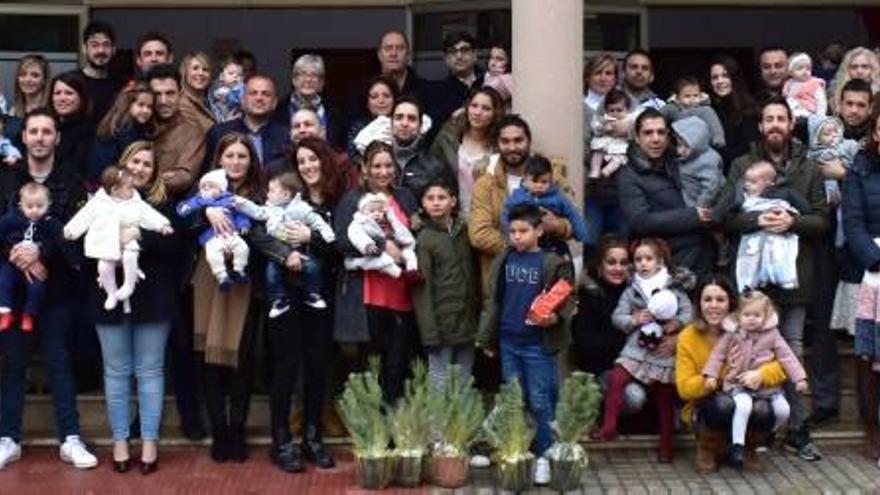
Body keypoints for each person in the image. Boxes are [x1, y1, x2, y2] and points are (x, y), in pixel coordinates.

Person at [722, 95, 828, 462]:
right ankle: (754, 431)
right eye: (768, 119)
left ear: (790, 123)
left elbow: (822, 218)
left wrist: (792, 221)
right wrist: (758, 220)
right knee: (747, 350)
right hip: (753, 278)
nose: (775, 125)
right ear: (760, 126)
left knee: (792, 348)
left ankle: (798, 429)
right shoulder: (741, 165)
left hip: (794, 276)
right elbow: (729, 215)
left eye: (781, 118)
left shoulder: (810, 168)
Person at [0, 108, 96, 470]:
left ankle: (70, 439)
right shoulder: (6, 177)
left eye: (47, 132)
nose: (40, 137)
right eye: (33, 131)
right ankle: (8, 438)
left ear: (57, 138)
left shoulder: (72, 181)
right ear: (22, 136)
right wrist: (20, 256)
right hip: (11, 291)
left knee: (59, 363)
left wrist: (42, 252)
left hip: (57, 291)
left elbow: (76, 232)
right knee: (13, 364)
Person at [249, 136, 345, 472]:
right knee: (286, 366)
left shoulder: (338, 198)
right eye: (302, 161)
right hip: (283, 293)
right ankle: (281, 442)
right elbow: (257, 233)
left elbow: (342, 248)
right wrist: (285, 252)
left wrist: (311, 238)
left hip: (320, 294)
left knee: (318, 367)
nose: (308, 166)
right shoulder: (283, 194)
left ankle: (313, 439)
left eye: (314, 159)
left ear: (325, 160)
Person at [92, 139, 183, 475]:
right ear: (122, 165)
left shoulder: (163, 205)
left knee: (149, 370)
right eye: (134, 162)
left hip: (153, 298)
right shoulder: (99, 201)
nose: (140, 169)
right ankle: (119, 440)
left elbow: (173, 245)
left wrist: (134, 235)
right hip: (109, 296)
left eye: (147, 164)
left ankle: (148, 441)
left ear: (155, 172)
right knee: (116, 372)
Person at [475, 203, 575, 486]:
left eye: (523, 231)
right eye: (512, 231)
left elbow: (567, 298)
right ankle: (516, 451)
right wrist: (487, 337)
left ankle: (544, 455)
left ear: (539, 231)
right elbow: (493, 301)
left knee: (540, 400)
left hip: (537, 345)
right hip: (508, 341)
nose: (516, 236)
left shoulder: (551, 262)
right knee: (512, 399)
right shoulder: (504, 259)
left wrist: (555, 316)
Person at [191, 133, 265, 463]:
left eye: (242, 156)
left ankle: (237, 429)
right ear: (219, 159)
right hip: (210, 279)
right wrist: (205, 212)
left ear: (251, 161)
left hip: (246, 283)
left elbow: (266, 231)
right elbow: (183, 224)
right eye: (229, 156)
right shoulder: (204, 190)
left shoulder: (260, 194)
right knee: (209, 361)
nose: (235, 162)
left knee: (241, 361)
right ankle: (219, 429)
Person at [333, 140, 418, 402]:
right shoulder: (353, 200)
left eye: (388, 165)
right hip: (368, 292)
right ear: (365, 169)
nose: (383, 172)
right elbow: (342, 243)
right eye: (377, 166)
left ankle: (395, 430)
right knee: (372, 364)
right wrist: (383, 246)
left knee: (397, 364)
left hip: (402, 290)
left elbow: (415, 234)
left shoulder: (405, 196)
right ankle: (373, 430)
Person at [676, 275, 786, 473]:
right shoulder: (688, 336)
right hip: (707, 403)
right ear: (699, 304)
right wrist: (719, 376)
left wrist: (761, 374)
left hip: (749, 395)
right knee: (724, 404)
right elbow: (684, 389)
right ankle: (708, 448)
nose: (713, 306)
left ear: (731, 304)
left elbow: (782, 365)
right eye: (707, 299)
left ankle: (749, 448)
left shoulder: (752, 328)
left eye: (720, 299)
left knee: (763, 408)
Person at [596, 238, 693, 463]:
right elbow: (617, 317)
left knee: (664, 399)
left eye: (648, 259)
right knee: (617, 377)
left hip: (663, 352)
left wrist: (677, 323)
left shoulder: (675, 289)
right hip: (638, 348)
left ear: (659, 262)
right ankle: (609, 425)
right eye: (638, 259)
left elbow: (690, 313)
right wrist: (633, 319)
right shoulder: (632, 291)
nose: (642, 263)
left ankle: (666, 447)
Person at [703, 290, 808, 469]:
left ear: (766, 316)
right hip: (738, 384)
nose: (751, 319)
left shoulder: (773, 335)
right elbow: (717, 355)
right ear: (738, 315)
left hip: (767, 388)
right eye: (747, 315)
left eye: (757, 315)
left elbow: (787, 357)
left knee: (784, 410)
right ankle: (738, 446)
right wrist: (711, 375)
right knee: (744, 406)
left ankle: (769, 433)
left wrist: (799, 378)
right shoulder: (732, 334)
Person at [469, 114, 573, 292]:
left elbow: (574, 222)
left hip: (548, 274)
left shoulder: (552, 178)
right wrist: (524, 246)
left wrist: (557, 225)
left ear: (529, 142)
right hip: (505, 275)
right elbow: (479, 235)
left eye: (518, 140)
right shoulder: (486, 184)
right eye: (505, 141)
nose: (512, 147)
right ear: (498, 144)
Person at [616, 109, 715, 275]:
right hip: (668, 257)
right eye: (648, 133)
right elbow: (640, 221)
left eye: (661, 132)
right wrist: (693, 216)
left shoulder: (681, 161)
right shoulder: (628, 175)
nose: (656, 139)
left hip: (704, 248)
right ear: (637, 138)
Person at [64, 165, 172, 311]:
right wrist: (71, 230)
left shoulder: (136, 202)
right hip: (106, 241)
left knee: (131, 253)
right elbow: (84, 216)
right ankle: (111, 293)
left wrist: (162, 225)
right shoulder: (99, 202)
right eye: (128, 188)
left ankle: (129, 284)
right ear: (114, 190)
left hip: (129, 240)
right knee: (104, 266)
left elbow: (149, 214)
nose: (132, 190)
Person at [412, 178, 480, 386]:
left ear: (453, 201)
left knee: (464, 377)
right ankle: (437, 420)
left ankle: (465, 418)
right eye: (430, 198)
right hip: (440, 324)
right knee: (439, 377)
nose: (436, 202)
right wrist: (430, 334)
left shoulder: (464, 232)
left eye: (441, 197)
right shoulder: (424, 239)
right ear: (423, 203)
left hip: (467, 320)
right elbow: (421, 290)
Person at [235, 171, 336, 312]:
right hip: (279, 250)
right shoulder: (270, 210)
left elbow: (316, 221)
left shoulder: (300, 208)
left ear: (286, 195)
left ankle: (313, 293)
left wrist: (327, 233)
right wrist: (241, 203)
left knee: (314, 267)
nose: (267, 194)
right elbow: (256, 211)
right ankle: (279, 299)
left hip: (301, 248)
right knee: (271, 273)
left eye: (272, 191)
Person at [841, 107, 880, 459]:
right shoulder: (859, 169)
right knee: (869, 355)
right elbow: (851, 221)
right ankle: (872, 428)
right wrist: (875, 257)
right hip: (872, 271)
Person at [721, 161, 811, 292]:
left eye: (753, 182)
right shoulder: (742, 196)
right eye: (746, 181)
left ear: (769, 184)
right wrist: (755, 219)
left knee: (780, 254)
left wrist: (792, 219)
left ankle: (785, 278)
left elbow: (806, 210)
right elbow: (726, 215)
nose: (747, 185)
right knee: (749, 258)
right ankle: (748, 283)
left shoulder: (785, 193)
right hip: (752, 236)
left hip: (779, 232)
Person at [0, 182, 64, 332]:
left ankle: (29, 314)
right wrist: (11, 250)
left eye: (40, 206)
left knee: (37, 288)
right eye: (29, 207)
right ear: (21, 205)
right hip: (12, 261)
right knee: (3, 281)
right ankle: (5, 312)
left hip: (38, 264)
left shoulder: (50, 223)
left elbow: (60, 240)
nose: (34, 211)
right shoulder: (12, 219)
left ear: (49, 204)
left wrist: (42, 251)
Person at [430, 86, 503, 213]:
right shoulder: (448, 137)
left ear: (495, 113)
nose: (478, 112)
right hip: (452, 214)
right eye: (474, 106)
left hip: (486, 216)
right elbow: (432, 170)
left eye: (486, 108)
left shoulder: (499, 146)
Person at [501, 154, 589, 257]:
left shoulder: (558, 197)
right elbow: (505, 213)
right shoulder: (518, 197)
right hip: (527, 246)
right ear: (525, 180)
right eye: (534, 181)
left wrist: (581, 232)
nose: (539, 185)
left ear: (550, 180)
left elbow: (572, 213)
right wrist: (510, 236)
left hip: (554, 244)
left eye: (544, 182)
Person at [177, 169, 251, 290]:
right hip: (212, 236)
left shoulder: (230, 200)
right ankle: (222, 276)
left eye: (211, 186)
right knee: (212, 255)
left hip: (231, 234)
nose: (206, 188)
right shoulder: (198, 200)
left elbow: (240, 214)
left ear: (221, 189)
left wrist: (244, 225)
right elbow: (184, 209)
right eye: (203, 186)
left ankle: (239, 270)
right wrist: (186, 208)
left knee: (243, 248)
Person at [147, 63, 206, 199]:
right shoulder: (138, 123)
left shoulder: (192, 132)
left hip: (168, 207)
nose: (163, 101)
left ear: (180, 93)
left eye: (170, 93)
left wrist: (143, 180)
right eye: (156, 94)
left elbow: (183, 177)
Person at [206, 74, 289, 168]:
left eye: (266, 94)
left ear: (274, 103)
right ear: (242, 100)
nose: (259, 98)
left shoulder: (287, 135)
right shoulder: (220, 133)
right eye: (253, 93)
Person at [389, 95, 454, 199]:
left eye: (412, 119)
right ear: (391, 123)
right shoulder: (377, 161)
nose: (405, 123)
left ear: (420, 126)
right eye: (399, 117)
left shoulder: (435, 167)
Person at [274, 54, 343, 148]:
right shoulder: (278, 111)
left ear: (321, 83)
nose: (308, 79)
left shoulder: (334, 113)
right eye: (302, 74)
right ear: (294, 80)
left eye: (314, 75)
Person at [343, 191, 417, 278]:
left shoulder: (388, 221)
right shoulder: (360, 223)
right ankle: (399, 274)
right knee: (384, 260)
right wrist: (367, 245)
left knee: (409, 254)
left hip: (395, 250)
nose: (377, 214)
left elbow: (403, 234)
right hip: (373, 253)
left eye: (380, 211)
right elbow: (357, 235)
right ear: (363, 211)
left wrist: (392, 219)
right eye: (372, 211)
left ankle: (412, 272)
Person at [91, 81, 155, 182]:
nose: (146, 110)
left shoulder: (138, 128)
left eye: (149, 107)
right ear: (128, 104)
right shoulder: (125, 130)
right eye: (141, 105)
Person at [707, 55, 759, 172]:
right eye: (715, 77)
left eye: (725, 76)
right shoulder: (709, 110)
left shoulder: (750, 110)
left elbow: (747, 151)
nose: (720, 81)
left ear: (734, 77)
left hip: (742, 175)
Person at [429, 31, 484, 131]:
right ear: (445, 59)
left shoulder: (489, 83)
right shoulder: (437, 93)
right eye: (452, 51)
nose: (459, 56)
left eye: (464, 50)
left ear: (475, 55)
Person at [671, 116, 724, 210]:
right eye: (679, 145)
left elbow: (711, 188)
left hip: (702, 205)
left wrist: (700, 207)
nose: (680, 151)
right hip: (687, 199)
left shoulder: (709, 161)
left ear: (697, 144)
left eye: (686, 147)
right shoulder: (688, 158)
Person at [50, 72, 96, 178]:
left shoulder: (88, 131)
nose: (62, 98)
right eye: (57, 93)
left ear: (81, 97)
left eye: (69, 93)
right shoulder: (46, 126)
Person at [660, 76, 725, 149]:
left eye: (696, 95)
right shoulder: (673, 108)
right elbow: (657, 117)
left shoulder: (704, 109)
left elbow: (714, 123)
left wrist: (718, 138)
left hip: (701, 143)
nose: (692, 99)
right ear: (678, 98)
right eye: (687, 96)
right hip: (679, 142)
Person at [79, 21, 124, 123]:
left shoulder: (123, 86)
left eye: (106, 45)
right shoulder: (71, 83)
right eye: (94, 45)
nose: (101, 50)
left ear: (114, 50)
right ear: (84, 48)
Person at [346, 75, 398, 162]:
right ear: (367, 103)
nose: (381, 101)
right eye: (374, 97)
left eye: (386, 96)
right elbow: (352, 156)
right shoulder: (357, 127)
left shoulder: (403, 123)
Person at [588, 88, 635, 179]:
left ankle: (607, 171)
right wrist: (603, 129)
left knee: (618, 160)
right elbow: (594, 126)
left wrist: (625, 130)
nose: (615, 113)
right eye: (612, 110)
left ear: (627, 109)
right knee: (597, 154)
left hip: (619, 144)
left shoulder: (629, 119)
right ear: (606, 110)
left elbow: (634, 130)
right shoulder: (603, 118)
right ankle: (595, 170)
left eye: (619, 110)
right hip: (603, 142)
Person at [828, 47, 880, 116]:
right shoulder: (835, 96)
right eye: (854, 67)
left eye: (865, 67)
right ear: (847, 70)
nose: (859, 71)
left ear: (873, 69)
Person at [177, 52, 216, 134]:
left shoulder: (213, 101)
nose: (201, 73)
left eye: (205, 70)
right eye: (195, 68)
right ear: (185, 72)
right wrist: (227, 125)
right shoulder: (182, 104)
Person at [783, 53, 827, 120]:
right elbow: (786, 97)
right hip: (792, 113)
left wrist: (820, 117)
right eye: (800, 68)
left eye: (808, 68)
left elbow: (821, 102)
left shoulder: (814, 83)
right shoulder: (789, 83)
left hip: (809, 113)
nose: (805, 71)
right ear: (791, 72)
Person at [209, 58, 244, 123]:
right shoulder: (218, 89)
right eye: (231, 73)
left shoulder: (242, 89)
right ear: (222, 76)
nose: (235, 76)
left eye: (239, 75)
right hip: (223, 120)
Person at [484, 42, 513, 109]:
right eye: (491, 57)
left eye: (499, 59)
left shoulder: (507, 78)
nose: (493, 63)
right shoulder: (488, 76)